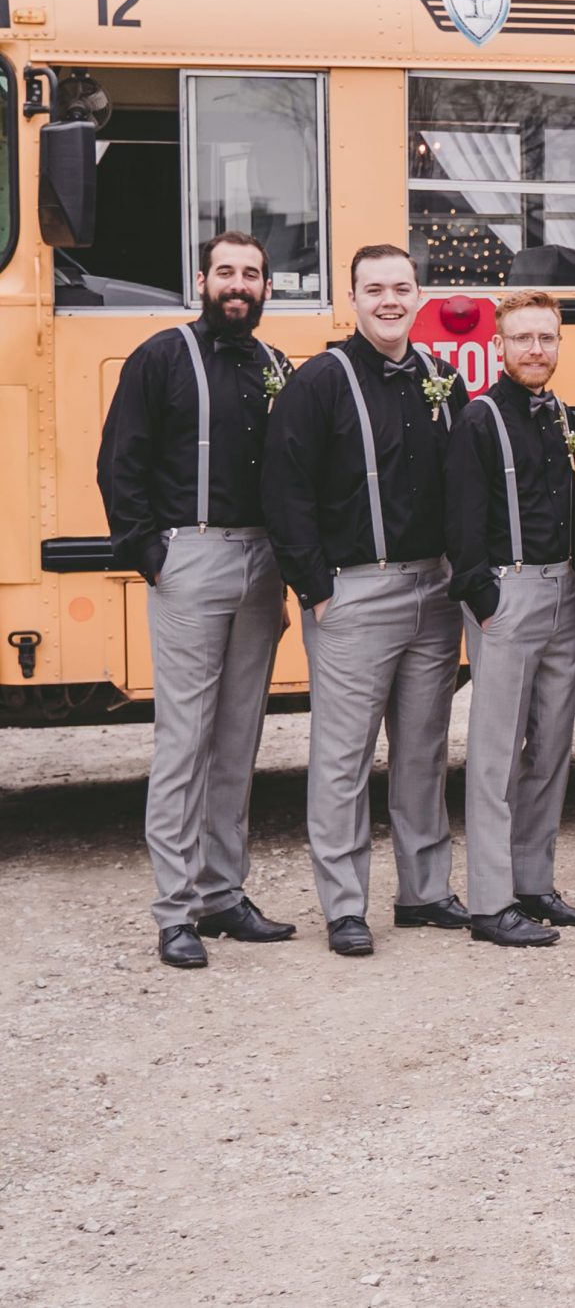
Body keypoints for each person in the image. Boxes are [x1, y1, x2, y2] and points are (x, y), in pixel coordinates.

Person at [98, 231, 296, 969]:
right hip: (192, 554)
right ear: (202, 280)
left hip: (261, 560)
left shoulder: (277, 365)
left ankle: (223, 892)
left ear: (267, 288)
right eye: (225, 273)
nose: (237, 284)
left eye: (251, 274)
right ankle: (175, 910)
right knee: (184, 740)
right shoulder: (160, 357)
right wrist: (153, 556)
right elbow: (121, 459)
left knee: (239, 738)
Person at [263, 243, 466, 958]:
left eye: (402, 287)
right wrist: (316, 588)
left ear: (419, 296)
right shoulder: (319, 380)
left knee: (423, 751)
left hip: (434, 590)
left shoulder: (443, 378)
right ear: (353, 297)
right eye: (375, 287)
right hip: (354, 594)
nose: (389, 299)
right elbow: (284, 488)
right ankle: (346, 905)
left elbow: (465, 488)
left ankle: (426, 891)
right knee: (343, 759)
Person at [445, 290, 575, 948]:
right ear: (500, 344)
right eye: (524, 338)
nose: (537, 349)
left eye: (547, 338)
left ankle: (535, 882)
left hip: (563, 592)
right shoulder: (479, 418)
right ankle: (490, 901)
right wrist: (485, 599)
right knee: (497, 756)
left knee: (553, 746)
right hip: (507, 592)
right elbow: (463, 517)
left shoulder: (557, 411)